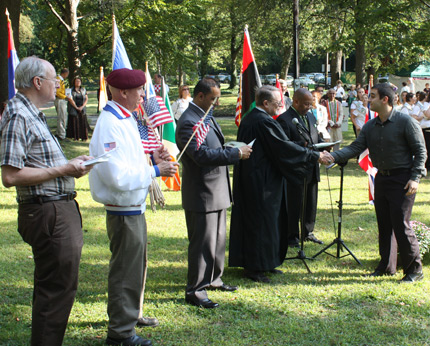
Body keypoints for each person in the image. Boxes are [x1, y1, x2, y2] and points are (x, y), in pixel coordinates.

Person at [0, 56, 93, 345]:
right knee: (57, 290)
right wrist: (64, 169)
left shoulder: (32, 113)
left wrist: (70, 165)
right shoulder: (19, 115)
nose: (59, 85)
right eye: (55, 79)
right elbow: (10, 175)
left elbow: (39, 162)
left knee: (54, 287)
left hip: (56, 208)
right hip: (47, 212)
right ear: (37, 82)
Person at [89, 68, 178, 346]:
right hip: (122, 208)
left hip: (131, 207)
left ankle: (129, 317)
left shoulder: (124, 118)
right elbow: (115, 175)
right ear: (123, 92)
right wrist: (155, 171)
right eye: (139, 89)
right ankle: (120, 333)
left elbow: (130, 157)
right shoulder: (111, 123)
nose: (144, 94)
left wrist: (152, 157)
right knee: (126, 271)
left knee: (134, 268)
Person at [228, 85, 332, 283]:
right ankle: (254, 267)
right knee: (260, 223)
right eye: (277, 103)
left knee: (269, 222)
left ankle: (266, 262)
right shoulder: (261, 121)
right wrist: (314, 156)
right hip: (260, 181)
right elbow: (283, 148)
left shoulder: (255, 118)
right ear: (265, 103)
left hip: (263, 178)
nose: (281, 106)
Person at [325, 83, 426, 283]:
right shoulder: (370, 126)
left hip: (403, 179)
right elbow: (356, 147)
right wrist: (332, 156)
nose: (368, 100)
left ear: (385, 99)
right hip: (382, 178)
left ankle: (415, 270)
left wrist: (415, 178)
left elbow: (420, 151)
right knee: (384, 224)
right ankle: (387, 266)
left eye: (372, 96)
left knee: (401, 225)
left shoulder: (406, 122)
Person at [175, 78, 252, 308]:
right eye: (213, 98)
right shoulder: (189, 121)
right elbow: (199, 155)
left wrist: (230, 148)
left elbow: (214, 147)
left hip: (216, 188)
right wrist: (235, 155)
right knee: (202, 243)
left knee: (218, 239)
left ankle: (213, 280)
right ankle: (195, 290)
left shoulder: (205, 115)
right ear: (200, 96)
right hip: (202, 191)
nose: (216, 103)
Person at [277, 88, 325, 247]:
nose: (309, 107)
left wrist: (322, 144)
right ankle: (292, 235)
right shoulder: (284, 119)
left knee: (311, 201)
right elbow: (284, 145)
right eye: (305, 104)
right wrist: (303, 145)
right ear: (295, 101)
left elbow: (314, 136)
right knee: (294, 202)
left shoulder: (310, 116)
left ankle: (308, 231)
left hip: (312, 166)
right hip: (295, 169)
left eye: (310, 104)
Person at [54, 67, 69, 140]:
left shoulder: (60, 80)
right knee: (62, 117)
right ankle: (61, 135)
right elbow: (57, 92)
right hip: (60, 100)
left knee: (62, 116)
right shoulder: (58, 80)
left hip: (61, 99)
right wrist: (65, 96)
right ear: (65, 73)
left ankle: (59, 132)